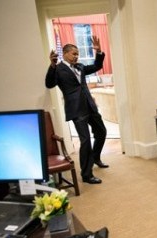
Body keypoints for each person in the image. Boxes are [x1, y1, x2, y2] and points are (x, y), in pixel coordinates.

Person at [45, 36, 109, 184]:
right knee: (85, 140)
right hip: (76, 109)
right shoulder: (58, 69)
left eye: (77, 54)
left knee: (101, 131)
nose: (76, 56)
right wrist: (52, 66)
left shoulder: (80, 67)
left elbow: (96, 67)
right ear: (65, 53)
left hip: (89, 106)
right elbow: (49, 84)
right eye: (74, 53)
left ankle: (95, 157)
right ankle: (87, 175)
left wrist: (99, 52)